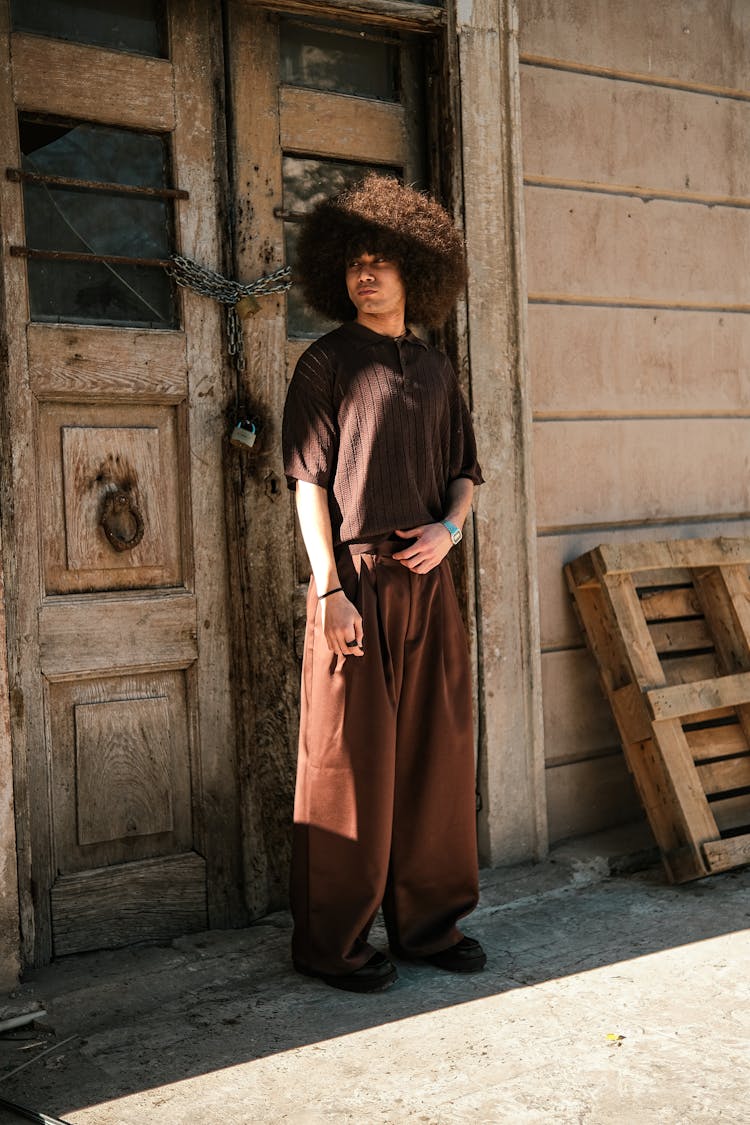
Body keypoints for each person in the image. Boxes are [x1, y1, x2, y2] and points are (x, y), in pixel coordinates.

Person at [282, 173, 485, 993]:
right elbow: (308, 483)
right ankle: (334, 942)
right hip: (354, 582)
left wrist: (451, 529)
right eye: (355, 263)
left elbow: (467, 472)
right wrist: (328, 589)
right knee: (345, 764)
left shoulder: (436, 369)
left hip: (428, 578)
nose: (366, 275)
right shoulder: (326, 361)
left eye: (382, 261)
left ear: (414, 270)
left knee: (437, 755)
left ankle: (431, 927)